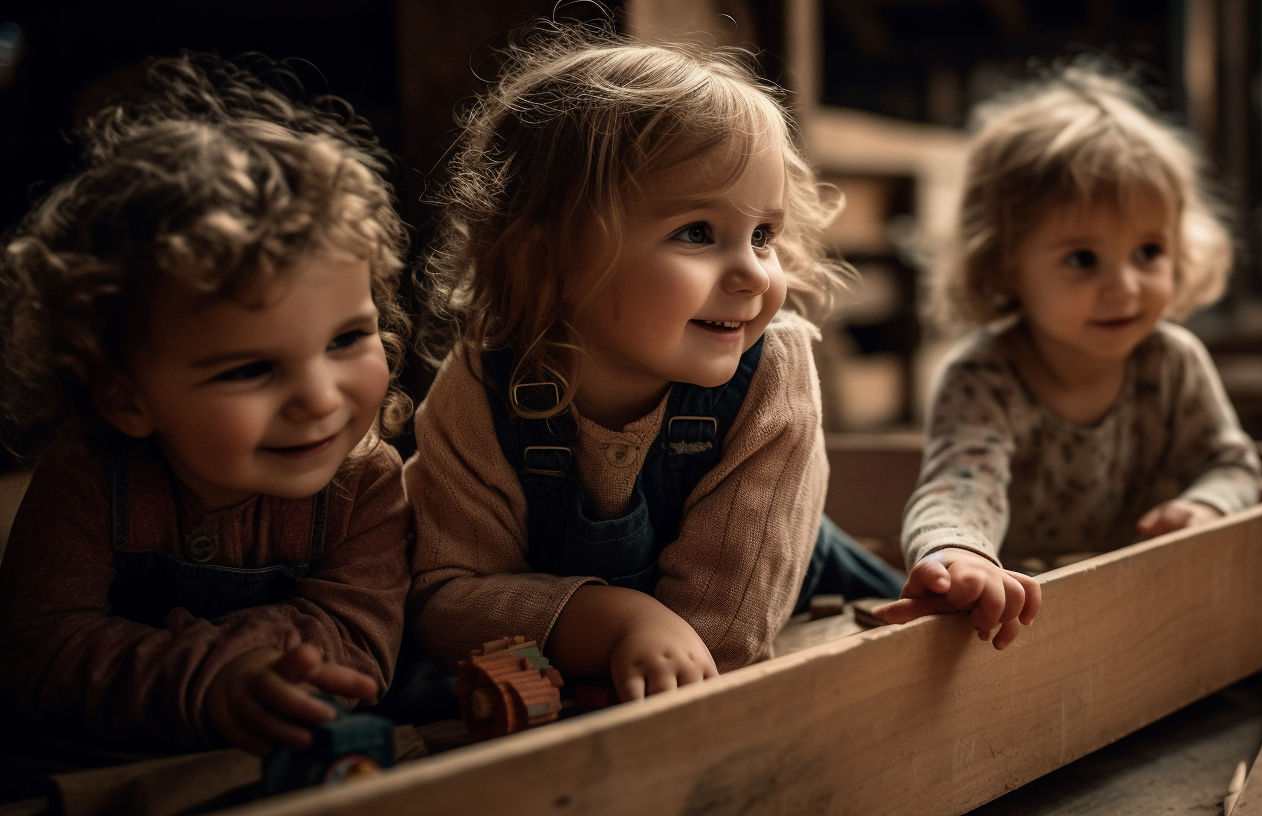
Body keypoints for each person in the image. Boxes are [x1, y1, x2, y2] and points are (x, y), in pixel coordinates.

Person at [406, 26, 904, 702]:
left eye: (763, 236)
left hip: (785, 618)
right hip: (611, 669)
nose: (756, 275)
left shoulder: (771, 375)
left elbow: (727, 634)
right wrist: (609, 622)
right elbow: (443, 597)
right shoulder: (480, 388)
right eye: (697, 232)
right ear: (542, 263)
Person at [0, 54, 413, 755]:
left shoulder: (366, 482)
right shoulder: (92, 476)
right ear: (127, 397)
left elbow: (361, 647)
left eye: (347, 337)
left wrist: (266, 674)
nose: (319, 398)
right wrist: (212, 680)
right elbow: (33, 650)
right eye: (252, 368)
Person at [885, 64, 1261, 647]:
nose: (1126, 287)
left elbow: (1231, 464)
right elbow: (960, 486)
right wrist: (958, 553)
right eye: (1083, 259)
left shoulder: (1172, 362)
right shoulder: (984, 375)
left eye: (1148, 251)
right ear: (1006, 264)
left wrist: (1206, 506)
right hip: (1018, 620)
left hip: (1147, 607)